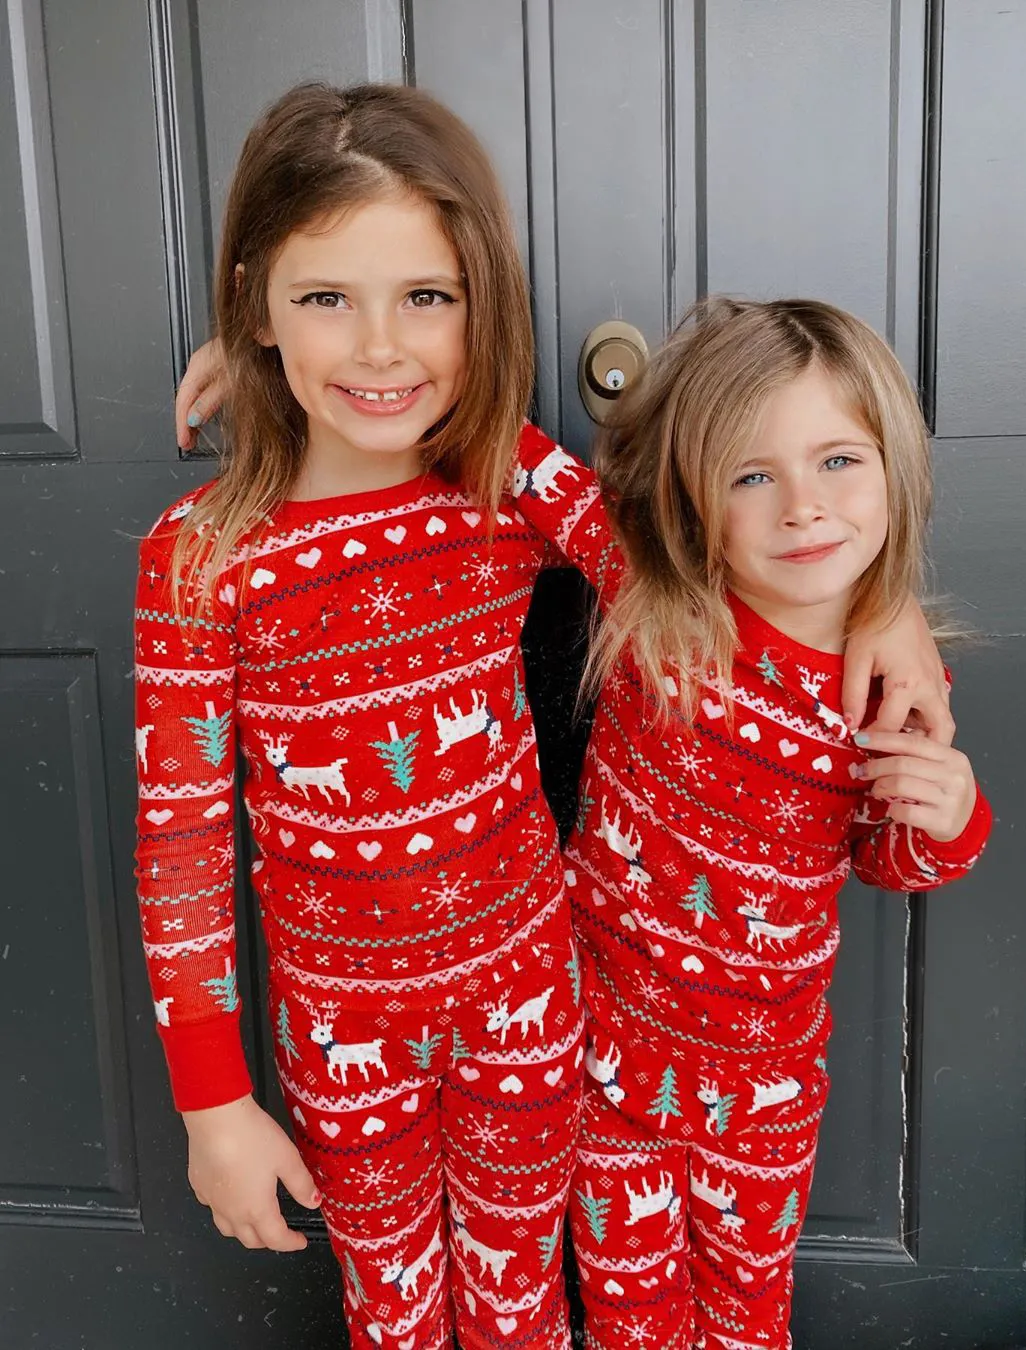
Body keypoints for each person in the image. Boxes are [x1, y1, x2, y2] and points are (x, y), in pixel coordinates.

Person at [133, 82, 586, 1350]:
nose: (380, 346)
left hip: (524, 994)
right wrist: (212, 1104)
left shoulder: (502, 498)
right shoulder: (201, 557)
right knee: (389, 1311)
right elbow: (179, 842)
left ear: (485, 304)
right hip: (342, 1038)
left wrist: (877, 612)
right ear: (253, 302)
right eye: (326, 297)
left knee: (521, 1302)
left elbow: (666, 566)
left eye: (427, 297)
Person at [508, 296, 993, 1350]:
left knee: (747, 1312)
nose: (803, 509)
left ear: (896, 471)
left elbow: (887, 859)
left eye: (839, 461)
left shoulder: (890, 689)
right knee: (628, 1317)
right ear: (691, 499)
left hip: (762, 1093)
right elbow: (505, 451)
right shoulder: (652, 599)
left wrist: (949, 818)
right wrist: (275, 358)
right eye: (751, 476)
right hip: (606, 1069)